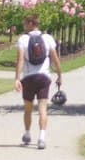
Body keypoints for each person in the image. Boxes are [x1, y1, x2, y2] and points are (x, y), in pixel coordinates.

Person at [14, 13, 62, 149]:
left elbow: (20, 61)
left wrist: (17, 78)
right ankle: (41, 138)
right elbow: (55, 59)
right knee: (43, 109)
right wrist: (59, 75)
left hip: (28, 78)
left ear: (30, 24)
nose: (23, 26)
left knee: (28, 109)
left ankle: (27, 134)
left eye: (25, 23)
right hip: (44, 78)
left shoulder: (23, 39)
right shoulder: (47, 38)